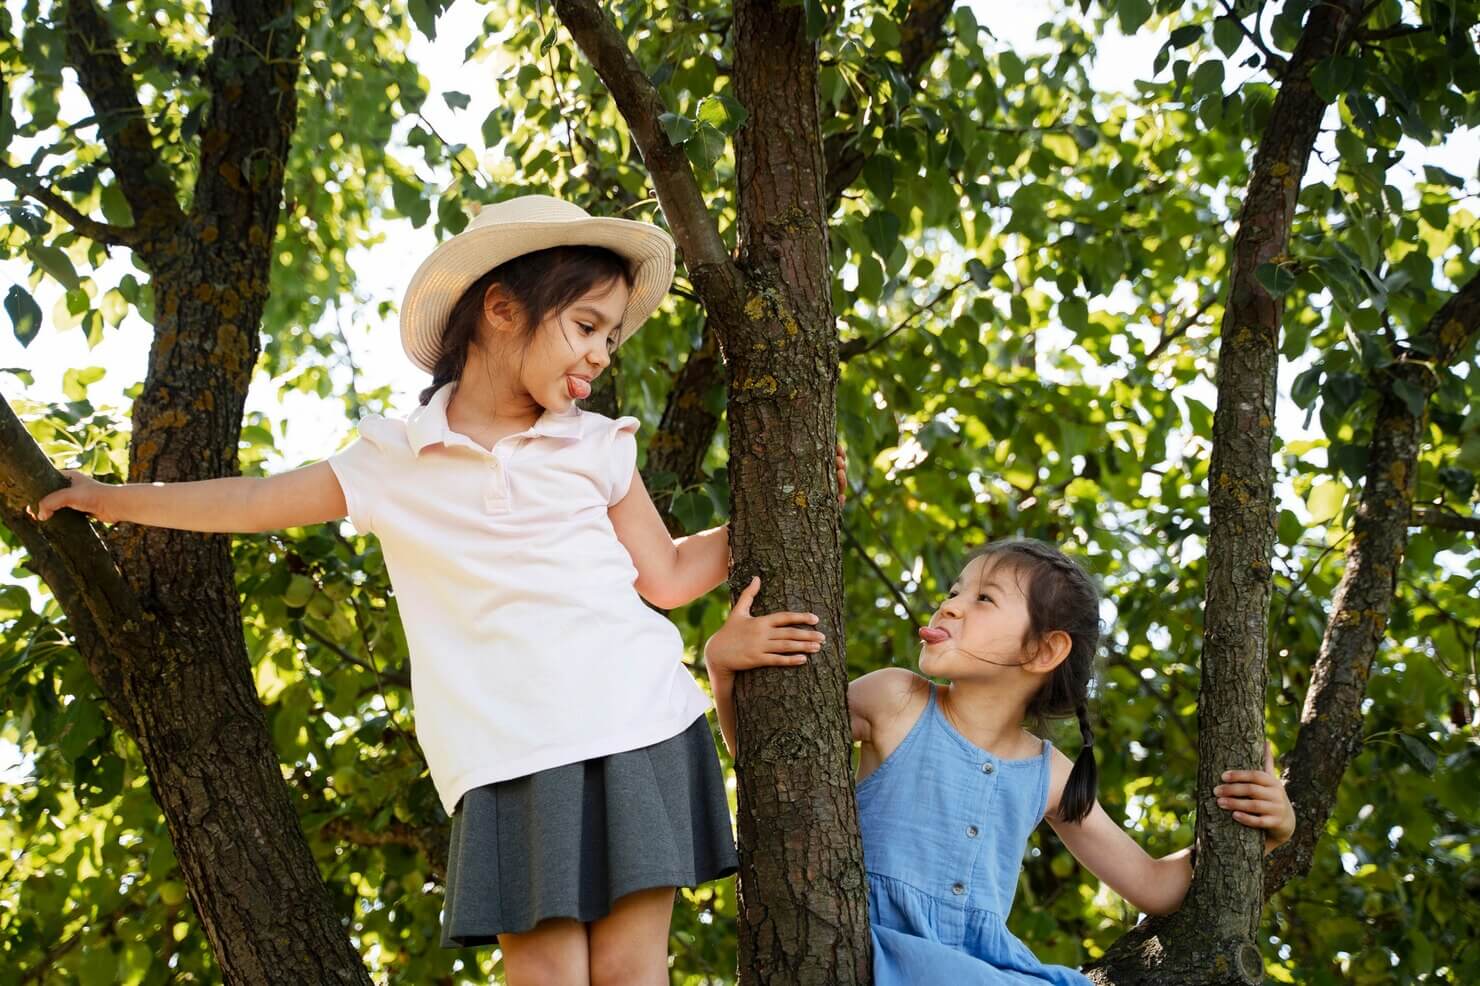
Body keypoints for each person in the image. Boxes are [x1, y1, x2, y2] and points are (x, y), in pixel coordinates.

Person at [34, 195, 752, 986]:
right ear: (502, 309)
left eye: (612, 338)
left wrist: (787, 498)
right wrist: (106, 498)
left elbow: (672, 576)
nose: (601, 355)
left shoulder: (596, 446)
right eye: (586, 327)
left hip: (636, 719)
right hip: (505, 753)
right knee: (546, 977)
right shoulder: (395, 459)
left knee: (628, 973)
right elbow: (253, 501)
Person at [703, 537, 1295, 984]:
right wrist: (723, 667)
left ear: (1043, 650)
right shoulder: (896, 699)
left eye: (983, 598)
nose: (950, 606)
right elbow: (769, 766)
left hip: (983, 967)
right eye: (955, 591)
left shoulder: (1048, 771)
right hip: (875, 948)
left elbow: (1154, 885)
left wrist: (1263, 835)